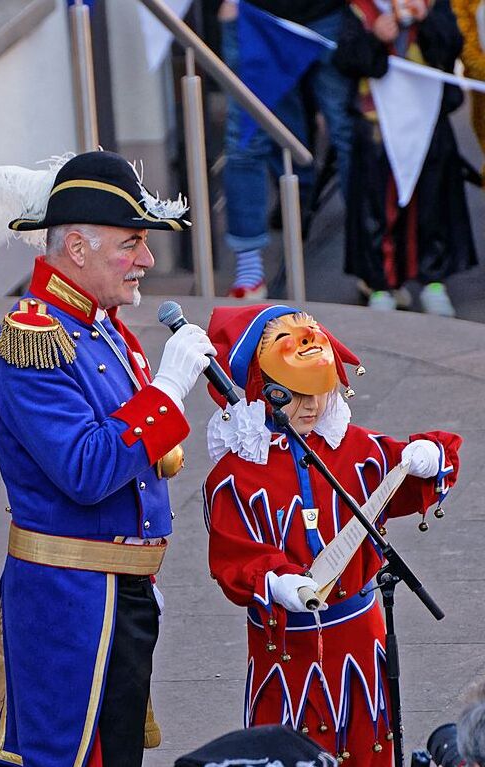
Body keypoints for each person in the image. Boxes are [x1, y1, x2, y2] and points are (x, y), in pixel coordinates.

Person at [0, 151, 216, 767]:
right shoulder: (32, 342)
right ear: (76, 247)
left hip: (117, 588)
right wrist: (168, 393)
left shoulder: (100, 325)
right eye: (131, 243)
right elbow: (89, 471)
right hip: (70, 603)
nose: (147, 260)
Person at [202, 304, 461, 764]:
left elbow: (412, 476)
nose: (313, 406)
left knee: (368, 744)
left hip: (360, 636)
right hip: (286, 648)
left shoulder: (356, 448)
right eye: (296, 394)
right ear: (265, 390)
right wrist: (277, 579)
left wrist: (430, 454)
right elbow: (232, 555)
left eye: (320, 390)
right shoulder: (236, 474)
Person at [334, 0, 477, 315]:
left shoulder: (434, 6)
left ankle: (434, 281)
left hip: (429, 124)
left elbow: (448, 50)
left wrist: (425, 22)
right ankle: (381, 284)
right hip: (375, 127)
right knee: (377, 208)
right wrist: (375, 38)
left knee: (433, 203)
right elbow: (345, 60)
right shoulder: (359, 10)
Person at [219, 0, 354, 298]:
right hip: (255, 16)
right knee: (245, 140)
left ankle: (373, 262)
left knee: (349, 135)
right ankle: (249, 269)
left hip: (326, 15)